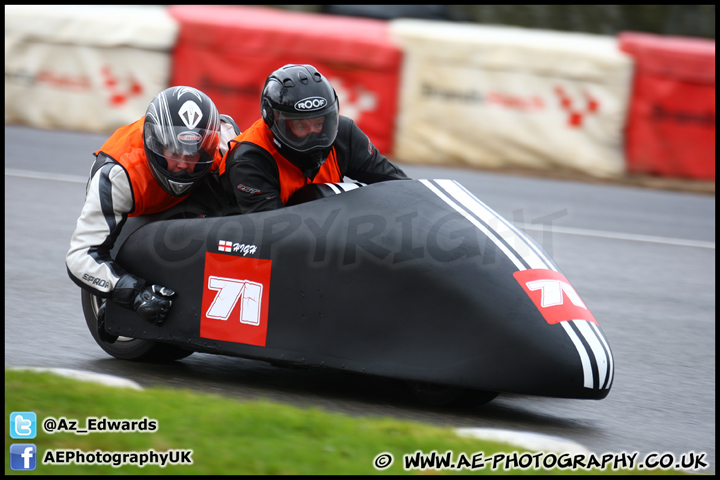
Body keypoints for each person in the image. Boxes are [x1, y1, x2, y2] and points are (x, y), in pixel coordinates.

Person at [66, 86, 237, 341]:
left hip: (199, 200)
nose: (183, 164)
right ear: (155, 143)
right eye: (175, 153)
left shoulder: (223, 143)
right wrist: (133, 295)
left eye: (193, 154)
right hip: (137, 215)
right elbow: (80, 257)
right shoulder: (118, 173)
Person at [220, 64, 409, 213]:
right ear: (274, 121)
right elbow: (272, 236)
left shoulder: (344, 134)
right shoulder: (250, 160)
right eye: (301, 125)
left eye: (319, 123)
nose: (314, 135)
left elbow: (400, 186)